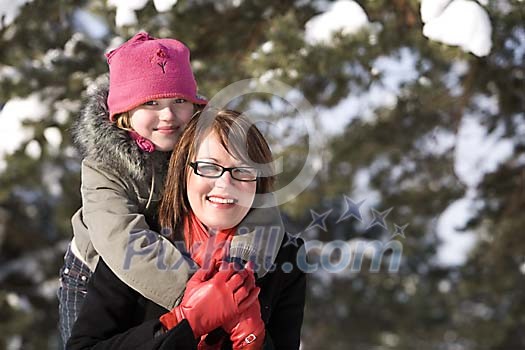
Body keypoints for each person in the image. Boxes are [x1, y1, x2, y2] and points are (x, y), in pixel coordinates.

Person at [58, 32, 285, 347]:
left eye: (179, 101)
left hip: (174, 258)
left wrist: (234, 272)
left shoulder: (203, 145)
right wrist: (192, 293)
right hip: (99, 273)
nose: (168, 115)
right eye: (151, 102)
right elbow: (122, 240)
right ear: (123, 114)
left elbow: (261, 207)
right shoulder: (103, 168)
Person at [67, 109, 306, 349]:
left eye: (242, 171)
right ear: (183, 171)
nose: (225, 184)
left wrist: (256, 341)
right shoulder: (140, 240)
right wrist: (180, 323)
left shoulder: (286, 257)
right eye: (209, 167)